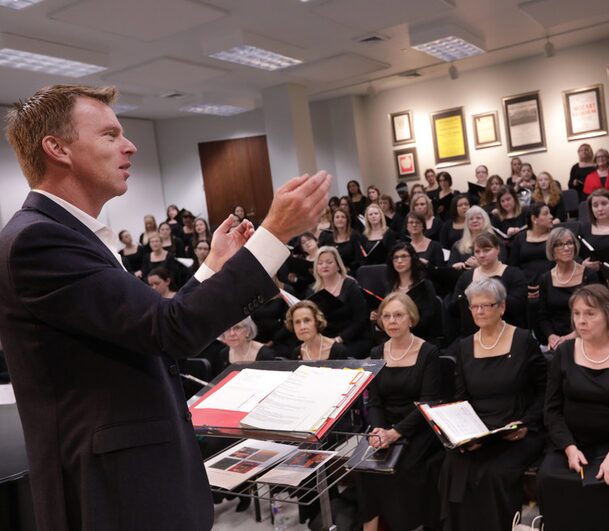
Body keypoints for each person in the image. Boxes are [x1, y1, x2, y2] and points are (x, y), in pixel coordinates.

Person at [0, 84, 331, 530]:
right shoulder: (39, 241)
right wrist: (274, 235)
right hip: (111, 492)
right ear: (57, 148)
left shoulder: (62, 234)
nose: (130, 146)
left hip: (135, 481)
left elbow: (149, 326)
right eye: (110, 134)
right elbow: (169, 330)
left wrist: (213, 265)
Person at [537, 284, 609, 531]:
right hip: (571, 443)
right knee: (550, 477)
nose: (581, 321)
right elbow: (552, 409)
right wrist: (568, 447)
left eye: (590, 314)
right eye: (577, 314)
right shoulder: (564, 352)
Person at [439, 278, 547, 531]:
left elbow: (545, 391)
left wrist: (527, 424)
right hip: (479, 430)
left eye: (486, 305)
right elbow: (461, 398)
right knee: (452, 466)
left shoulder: (522, 340)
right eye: (474, 306)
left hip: (516, 429)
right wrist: (464, 433)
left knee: (495, 473)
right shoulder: (464, 347)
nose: (480, 311)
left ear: (502, 307)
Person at [357, 293, 443, 531]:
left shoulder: (428, 352)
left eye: (398, 315)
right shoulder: (376, 353)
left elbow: (428, 403)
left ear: (410, 319)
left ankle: (408, 525)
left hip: (419, 427)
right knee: (365, 465)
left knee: (402, 467)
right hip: (384, 425)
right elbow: (373, 401)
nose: (392, 321)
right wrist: (378, 430)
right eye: (386, 316)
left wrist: (395, 433)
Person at [448, 233, 527, 337]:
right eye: (477, 251)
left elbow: (518, 306)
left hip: (507, 333)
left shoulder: (514, 274)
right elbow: (454, 308)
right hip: (472, 334)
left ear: (498, 249)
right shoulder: (466, 277)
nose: (481, 255)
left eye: (486, 250)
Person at [537, 228, 597, 350]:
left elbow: (596, 312)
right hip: (558, 340)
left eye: (570, 243)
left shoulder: (589, 275)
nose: (566, 248)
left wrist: (570, 337)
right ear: (551, 250)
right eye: (559, 244)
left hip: (586, 336)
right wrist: (551, 336)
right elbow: (543, 315)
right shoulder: (545, 279)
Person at [311, 246, 372, 358]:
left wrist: (339, 339)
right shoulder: (312, 290)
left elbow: (360, 319)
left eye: (329, 262)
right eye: (320, 263)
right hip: (326, 340)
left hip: (352, 339)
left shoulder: (350, 286)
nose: (324, 266)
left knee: (337, 355)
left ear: (338, 265)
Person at [383, 242, 439, 342]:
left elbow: (429, 316)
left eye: (404, 256)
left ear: (412, 259)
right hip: (394, 336)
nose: (399, 261)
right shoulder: (389, 286)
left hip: (420, 337)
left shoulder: (424, 285)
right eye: (395, 258)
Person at [508, 202, 554, 284]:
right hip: (525, 284)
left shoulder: (555, 236)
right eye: (546, 214)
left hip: (551, 282)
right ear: (534, 219)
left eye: (550, 213)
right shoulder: (520, 238)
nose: (551, 216)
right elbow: (513, 266)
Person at [448, 205, 500, 270]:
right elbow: (449, 267)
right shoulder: (458, 245)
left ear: (485, 220)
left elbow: (501, 266)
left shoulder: (495, 241)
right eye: (471, 219)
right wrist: (456, 266)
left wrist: (479, 266)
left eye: (478, 218)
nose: (474, 221)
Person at [319, 206, 361, 274]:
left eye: (343, 217)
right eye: (337, 217)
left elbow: (358, 259)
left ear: (347, 220)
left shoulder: (355, 236)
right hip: (333, 273)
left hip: (352, 272)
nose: (340, 219)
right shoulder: (328, 238)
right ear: (333, 221)